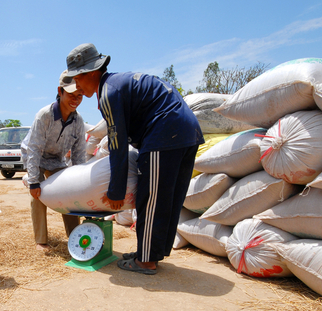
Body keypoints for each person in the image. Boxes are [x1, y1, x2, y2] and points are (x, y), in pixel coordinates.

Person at [66, 43, 204, 274]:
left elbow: (117, 144)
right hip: (186, 132)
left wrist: (116, 191)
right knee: (167, 199)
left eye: (77, 78)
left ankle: (146, 260)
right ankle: (150, 253)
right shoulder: (119, 83)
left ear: (90, 72)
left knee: (150, 199)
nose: (76, 84)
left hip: (165, 134)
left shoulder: (108, 93)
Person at [22, 70, 87, 250]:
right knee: (38, 194)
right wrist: (34, 180)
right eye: (71, 95)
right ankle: (41, 241)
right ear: (60, 91)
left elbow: (79, 154)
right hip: (34, 155)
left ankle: (76, 236)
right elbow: (34, 148)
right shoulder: (45, 115)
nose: (75, 100)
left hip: (56, 159)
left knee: (68, 192)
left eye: (80, 95)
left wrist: (79, 183)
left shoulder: (78, 121)